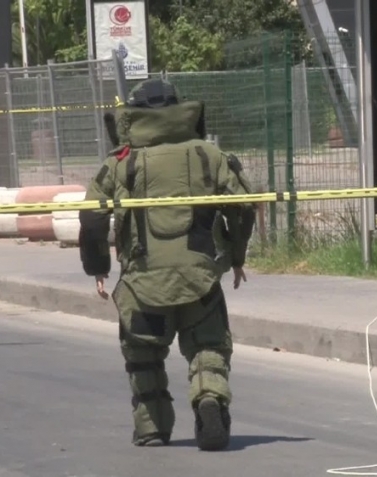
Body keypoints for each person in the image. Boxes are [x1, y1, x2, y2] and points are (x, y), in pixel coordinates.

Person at [77, 77, 256, 451]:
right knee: (208, 348)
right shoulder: (209, 154)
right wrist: (237, 256)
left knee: (143, 357)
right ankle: (209, 398)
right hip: (200, 277)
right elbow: (243, 205)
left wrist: (97, 268)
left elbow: (92, 217)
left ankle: (152, 429)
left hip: (142, 280)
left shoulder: (120, 161)